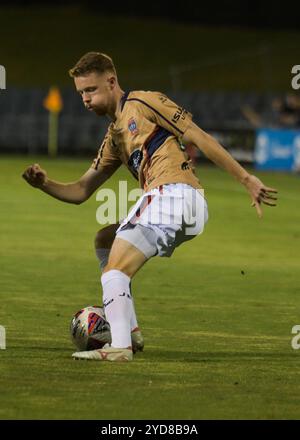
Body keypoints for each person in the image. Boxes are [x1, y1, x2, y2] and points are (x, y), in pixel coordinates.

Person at [22, 52, 278, 362]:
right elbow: (81, 190)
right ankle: (129, 331)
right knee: (105, 239)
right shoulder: (114, 137)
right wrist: (44, 183)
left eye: (90, 90)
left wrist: (246, 179)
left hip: (174, 194)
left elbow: (198, 136)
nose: (85, 99)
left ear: (111, 81)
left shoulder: (143, 102)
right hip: (182, 206)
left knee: (115, 267)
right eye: (80, 93)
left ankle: (119, 348)